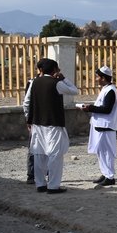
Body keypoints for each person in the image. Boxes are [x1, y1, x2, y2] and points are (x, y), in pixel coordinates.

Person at [23, 58, 79, 193]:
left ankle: (40, 184)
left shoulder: (34, 83)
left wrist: (28, 120)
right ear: (55, 70)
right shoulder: (57, 83)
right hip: (53, 124)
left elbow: (26, 102)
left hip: (37, 124)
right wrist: (63, 78)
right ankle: (53, 186)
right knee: (55, 155)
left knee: (39, 154)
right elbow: (74, 91)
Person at [80, 65, 117, 187]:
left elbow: (107, 109)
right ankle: (105, 173)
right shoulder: (105, 89)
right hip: (100, 125)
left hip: (106, 126)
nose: (96, 78)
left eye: (98, 76)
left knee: (107, 152)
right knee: (100, 151)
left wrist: (90, 108)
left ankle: (110, 176)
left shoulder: (111, 91)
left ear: (103, 78)